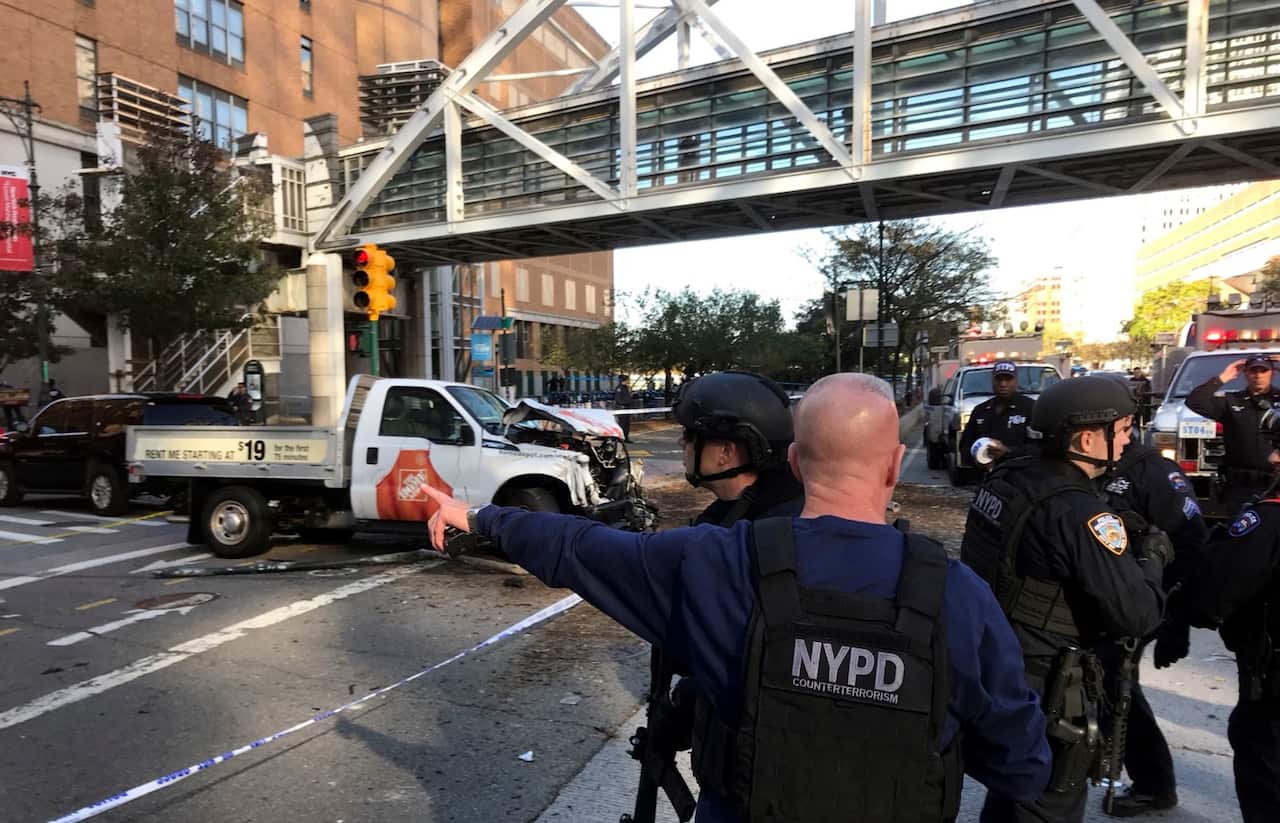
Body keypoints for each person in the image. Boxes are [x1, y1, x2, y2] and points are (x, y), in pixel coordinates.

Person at [425, 373, 1051, 822]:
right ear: (894, 465)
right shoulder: (959, 595)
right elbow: (1021, 767)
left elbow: (578, 547)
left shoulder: (718, 561)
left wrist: (481, 517)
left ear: (798, 462)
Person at [960, 375, 1171, 823]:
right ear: (1089, 436)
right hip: (1049, 683)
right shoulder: (1079, 512)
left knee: (1012, 791)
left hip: (998, 662)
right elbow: (1137, 614)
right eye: (1124, 428)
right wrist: (1151, 559)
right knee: (1047, 803)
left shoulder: (1010, 475)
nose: (1130, 438)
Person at [626, 370, 806, 821]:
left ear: (727, 451)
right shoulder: (738, 514)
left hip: (755, 782)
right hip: (737, 760)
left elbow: (747, 660)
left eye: (692, 435)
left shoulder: (768, 536)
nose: (684, 444)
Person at [1096, 391, 1209, 817]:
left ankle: (1154, 784)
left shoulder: (1154, 473)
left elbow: (1191, 545)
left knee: (1116, 685)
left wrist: (1175, 621)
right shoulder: (1090, 466)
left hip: (1138, 600)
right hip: (1096, 595)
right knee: (1096, 686)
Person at [1181, 408, 1280, 823]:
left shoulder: (1269, 518)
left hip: (1272, 683)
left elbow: (1216, 592)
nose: (1273, 459)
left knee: (1264, 772)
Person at [1186, 354, 1280, 517]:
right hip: (1240, 486)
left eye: (1263, 370)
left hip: (1276, 482)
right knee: (1239, 535)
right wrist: (1224, 377)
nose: (1258, 375)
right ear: (1245, 374)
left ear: (1273, 373)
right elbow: (1195, 401)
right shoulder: (1232, 401)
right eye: (1253, 371)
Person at [959, 360, 1037, 470]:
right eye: (999, 379)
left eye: (1008, 379)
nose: (1003, 384)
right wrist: (977, 460)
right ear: (992, 381)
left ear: (1016, 381)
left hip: (1021, 477)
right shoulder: (980, 411)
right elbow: (965, 446)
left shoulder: (1030, 408)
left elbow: (1040, 448)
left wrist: (1008, 451)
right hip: (987, 479)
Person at [614, 374, 634, 442]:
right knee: (622, 424)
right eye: (628, 379)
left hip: (627, 408)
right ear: (624, 380)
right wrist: (627, 401)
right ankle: (620, 438)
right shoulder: (619, 388)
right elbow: (618, 400)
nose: (629, 381)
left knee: (627, 424)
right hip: (622, 408)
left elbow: (627, 397)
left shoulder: (626, 388)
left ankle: (626, 437)